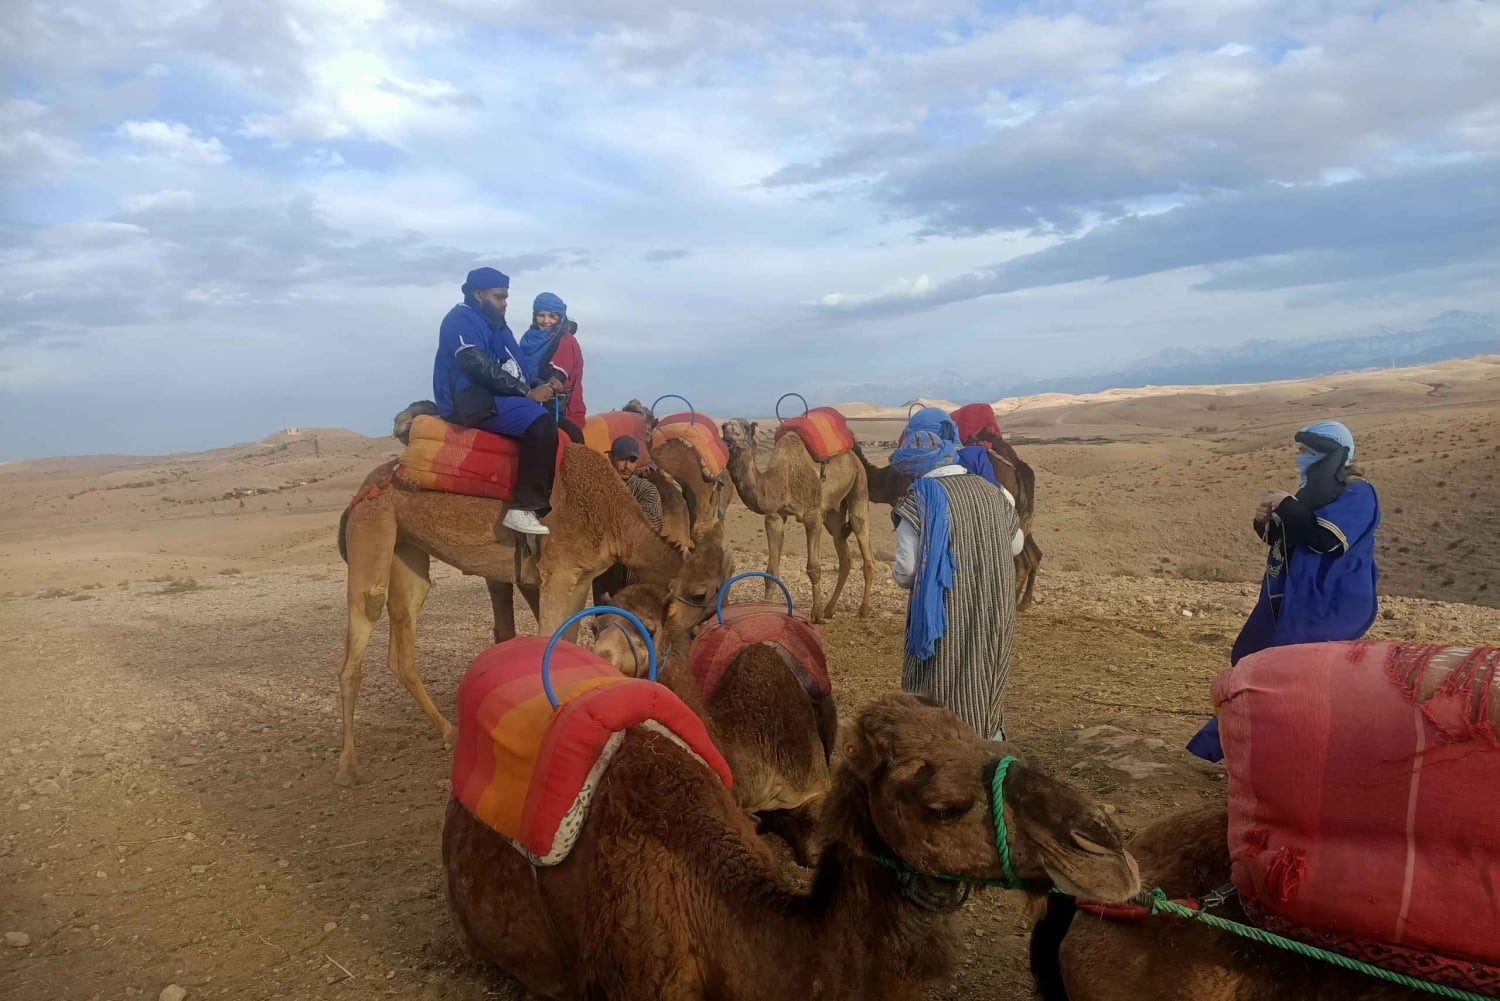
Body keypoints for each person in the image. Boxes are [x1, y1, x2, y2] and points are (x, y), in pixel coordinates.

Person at [1187, 420, 1381, 762]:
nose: (1300, 458)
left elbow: (1328, 541)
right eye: (1301, 451)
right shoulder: (1311, 493)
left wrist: (1288, 506)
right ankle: (1230, 748)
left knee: (1278, 677)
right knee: (1255, 667)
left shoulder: (1357, 493)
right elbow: (1285, 542)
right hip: (1287, 600)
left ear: (1333, 456)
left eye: (1309, 452)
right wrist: (1264, 521)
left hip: (1327, 605)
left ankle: (1216, 751)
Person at [890, 407, 1023, 740]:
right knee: (985, 678)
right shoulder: (994, 492)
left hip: (945, 615)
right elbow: (1016, 545)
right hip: (993, 607)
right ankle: (989, 748)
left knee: (941, 684)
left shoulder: (918, 500)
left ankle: (947, 755)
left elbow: (906, 572)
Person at [432, 267, 558, 536]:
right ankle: (524, 507)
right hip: (472, 399)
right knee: (541, 424)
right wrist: (525, 393)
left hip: (498, 393)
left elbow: (515, 368)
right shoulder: (460, 320)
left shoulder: (496, 324)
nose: (505, 303)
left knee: (567, 430)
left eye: (505, 297)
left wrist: (539, 386)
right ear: (478, 295)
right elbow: (475, 363)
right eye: (499, 297)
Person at [591, 436, 663, 607]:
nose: (627, 466)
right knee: (605, 618)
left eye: (632, 460)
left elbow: (651, 527)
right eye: (622, 459)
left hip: (637, 570)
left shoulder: (647, 490)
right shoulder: (597, 489)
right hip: (605, 569)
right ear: (611, 458)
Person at [518, 292, 587, 442]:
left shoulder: (566, 341)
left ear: (560, 318)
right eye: (541, 315)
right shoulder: (528, 339)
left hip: (559, 409)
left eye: (552, 316)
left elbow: (556, 380)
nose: (545, 321)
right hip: (531, 400)